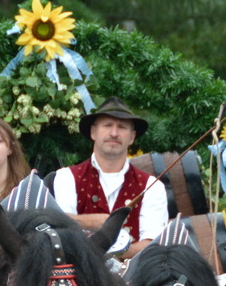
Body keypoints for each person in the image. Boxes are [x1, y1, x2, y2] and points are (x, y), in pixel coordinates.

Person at [49, 97, 169, 258]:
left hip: (134, 278)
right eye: (107, 125)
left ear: (132, 137)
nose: (114, 133)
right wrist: (93, 222)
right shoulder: (66, 177)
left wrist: (111, 251)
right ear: (93, 132)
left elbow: (153, 245)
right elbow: (59, 228)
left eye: (122, 127)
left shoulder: (152, 186)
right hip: (80, 276)